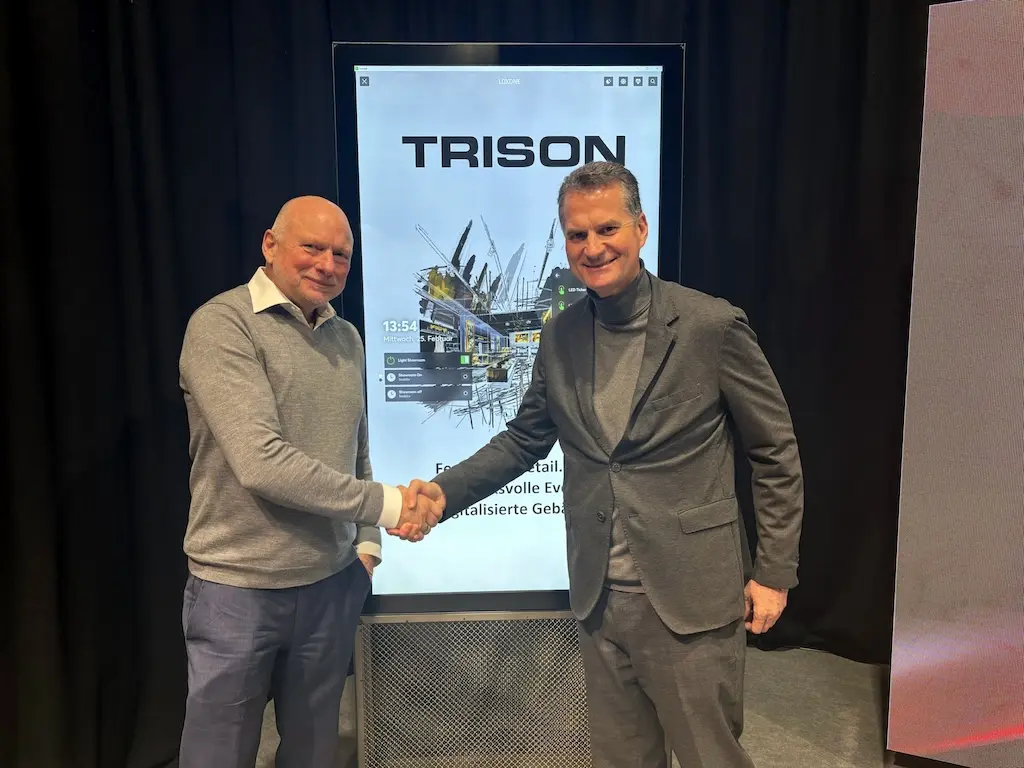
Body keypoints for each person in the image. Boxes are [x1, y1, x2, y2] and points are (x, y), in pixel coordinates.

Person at [400, 162, 804, 767]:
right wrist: (442, 492)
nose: (593, 248)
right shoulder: (559, 335)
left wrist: (773, 571)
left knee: (711, 757)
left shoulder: (711, 326)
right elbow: (524, 440)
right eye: (577, 234)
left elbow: (774, 451)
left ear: (641, 228)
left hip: (691, 595)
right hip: (600, 597)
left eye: (607, 229)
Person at [177, 195, 441, 768]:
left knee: (316, 753)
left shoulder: (346, 337)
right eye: (312, 248)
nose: (327, 264)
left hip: (331, 586)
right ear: (270, 245)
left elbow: (356, 448)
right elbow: (262, 462)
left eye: (341, 254)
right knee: (217, 756)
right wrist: (389, 506)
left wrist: (366, 544)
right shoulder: (222, 326)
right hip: (237, 591)